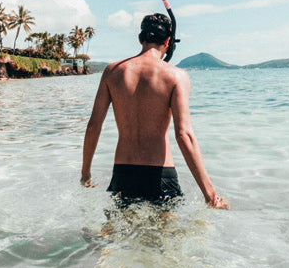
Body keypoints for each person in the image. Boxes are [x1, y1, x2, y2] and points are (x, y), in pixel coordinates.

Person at [81, 12, 229, 209]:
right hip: (161, 174)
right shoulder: (176, 76)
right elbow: (184, 135)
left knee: (116, 237)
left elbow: (93, 125)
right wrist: (210, 194)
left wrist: (85, 174)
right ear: (168, 41)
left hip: (123, 173)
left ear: (140, 39)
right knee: (165, 238)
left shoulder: (112, 72)